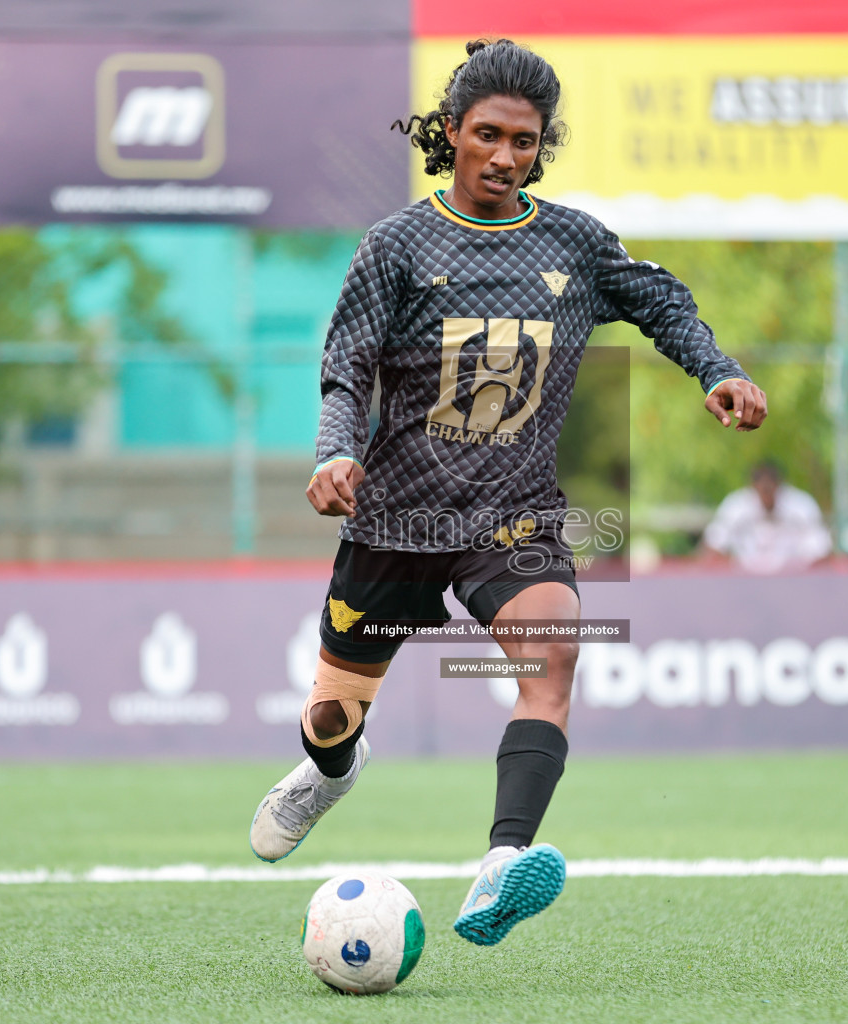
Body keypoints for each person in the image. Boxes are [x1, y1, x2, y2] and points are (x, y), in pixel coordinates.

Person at [248, 39, 767, 947]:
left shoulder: (573, 241)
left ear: (541, 146)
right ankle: (330, 772)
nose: (503, 156)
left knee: (552, 653)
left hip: (513, 512)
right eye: (486, 135)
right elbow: (347, 369)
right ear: (450, 133)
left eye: (524, 142)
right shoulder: (397, 246)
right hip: (400, 516)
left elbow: (664, 305)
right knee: (332, 714)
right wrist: (335, 454)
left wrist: (714, 370)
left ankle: (502, 863)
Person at [699, 460, 831, 573]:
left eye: (770, 488)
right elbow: (713, 545)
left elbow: (821, 550)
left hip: (793, 583)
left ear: (779, 485)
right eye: (762, 489)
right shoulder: (736, 506)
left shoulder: (801, 506)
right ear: (753, 487)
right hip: (743, 585)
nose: (766, 494)